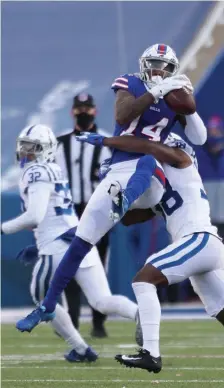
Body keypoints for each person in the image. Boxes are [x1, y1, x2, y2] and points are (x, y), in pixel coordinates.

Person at [15, 43, 206, 331]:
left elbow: (200, 138)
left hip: (149, 178)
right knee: (80, 242)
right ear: (144, 64)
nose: (158, 70)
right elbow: (123, 116)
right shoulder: (130, 82)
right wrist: (155, 91)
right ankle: (46, 307)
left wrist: (189, 109)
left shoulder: (173, 95)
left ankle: (124, 201)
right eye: (154, 64)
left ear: (173, 70)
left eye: (164, 67)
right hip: (117, 170)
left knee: (150, 159)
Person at [1, 124, 139, 362]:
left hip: (56, 244)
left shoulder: (36, 172)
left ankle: (81, 348)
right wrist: (38, 245)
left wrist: (3, 229)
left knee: (43, 299)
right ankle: (143, 314)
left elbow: (35, 215)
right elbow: (51, 214)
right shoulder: (54, 169)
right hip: (79, 238)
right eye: (23, 146)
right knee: (101, 301)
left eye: (31, 148)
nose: (25, 152)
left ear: (44, 149)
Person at [89, 131, 224, 373]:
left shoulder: (182, 161)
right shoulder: (159, 183)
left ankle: (151, 354)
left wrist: (110, 142)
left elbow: (148, 147)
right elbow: (130, 219)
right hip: (202, 246)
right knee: (222, 311)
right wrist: (114, 192)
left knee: (144, 279)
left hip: (199, 238)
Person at [56, 93, 111, 337]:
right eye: (79, 108)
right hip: (69, 214)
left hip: (98, 212)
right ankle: (73, 324)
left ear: (95, 111)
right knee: (69, 269)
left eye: (87, 108)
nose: (83, 112)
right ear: (72, 112)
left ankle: (98, 323)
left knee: (98, 269)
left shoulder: (108, 143)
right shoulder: (59, 144)